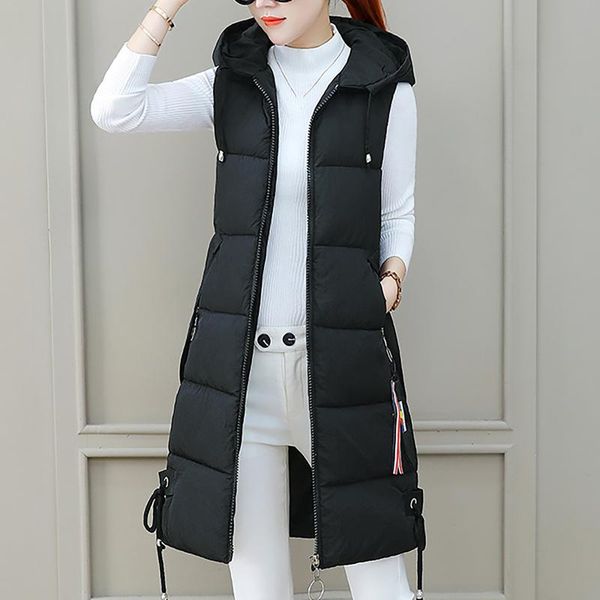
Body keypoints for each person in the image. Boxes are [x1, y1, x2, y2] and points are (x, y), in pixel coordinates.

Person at [92, 1, 419, 599]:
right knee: (258, 585)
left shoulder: (382, 85)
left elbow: (397, 213)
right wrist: (167, 6)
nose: (265, 2)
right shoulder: (234, 81)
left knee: (381, 579)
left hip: (341, 368)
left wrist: (388, 285)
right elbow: (115, 109)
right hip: (244, 376)